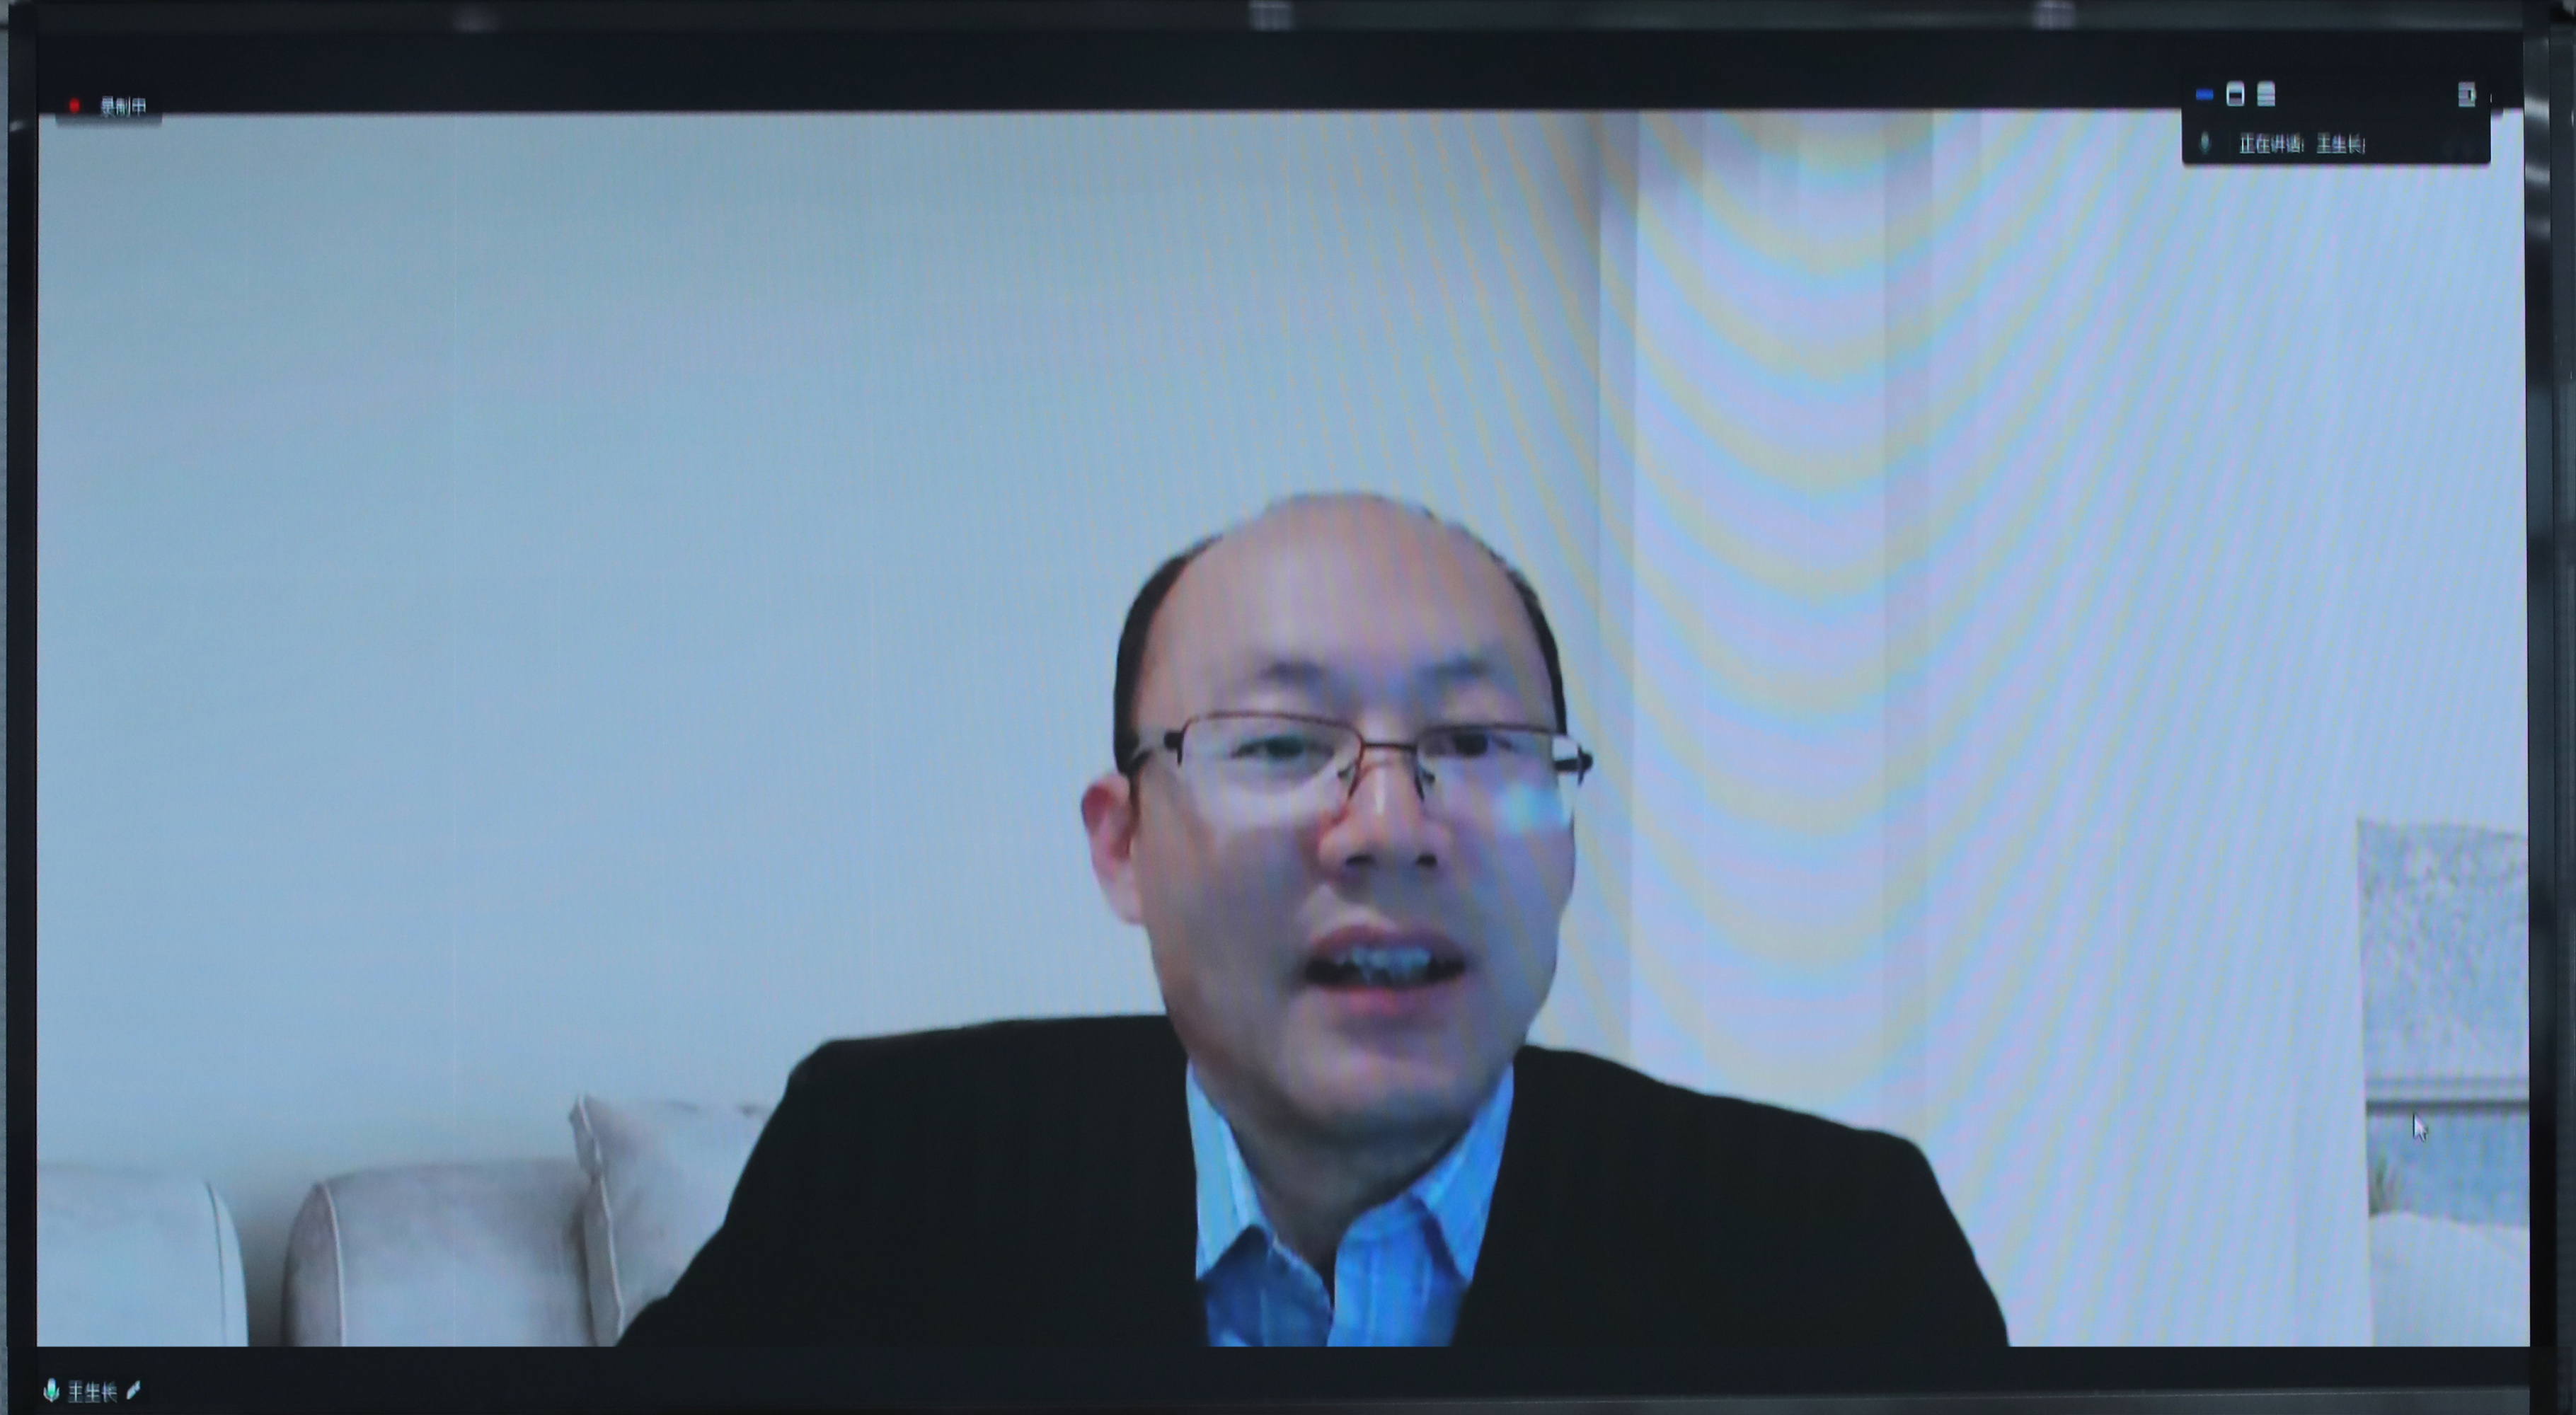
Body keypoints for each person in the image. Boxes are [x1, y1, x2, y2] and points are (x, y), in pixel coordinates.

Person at [621, 493, 2008, 1346]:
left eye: (1474, 744)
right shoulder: (884, 1173)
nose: (1390, 824)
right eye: (1282, 745)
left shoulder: (1835, 1251)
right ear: (1124, 846)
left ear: (1562, 841)